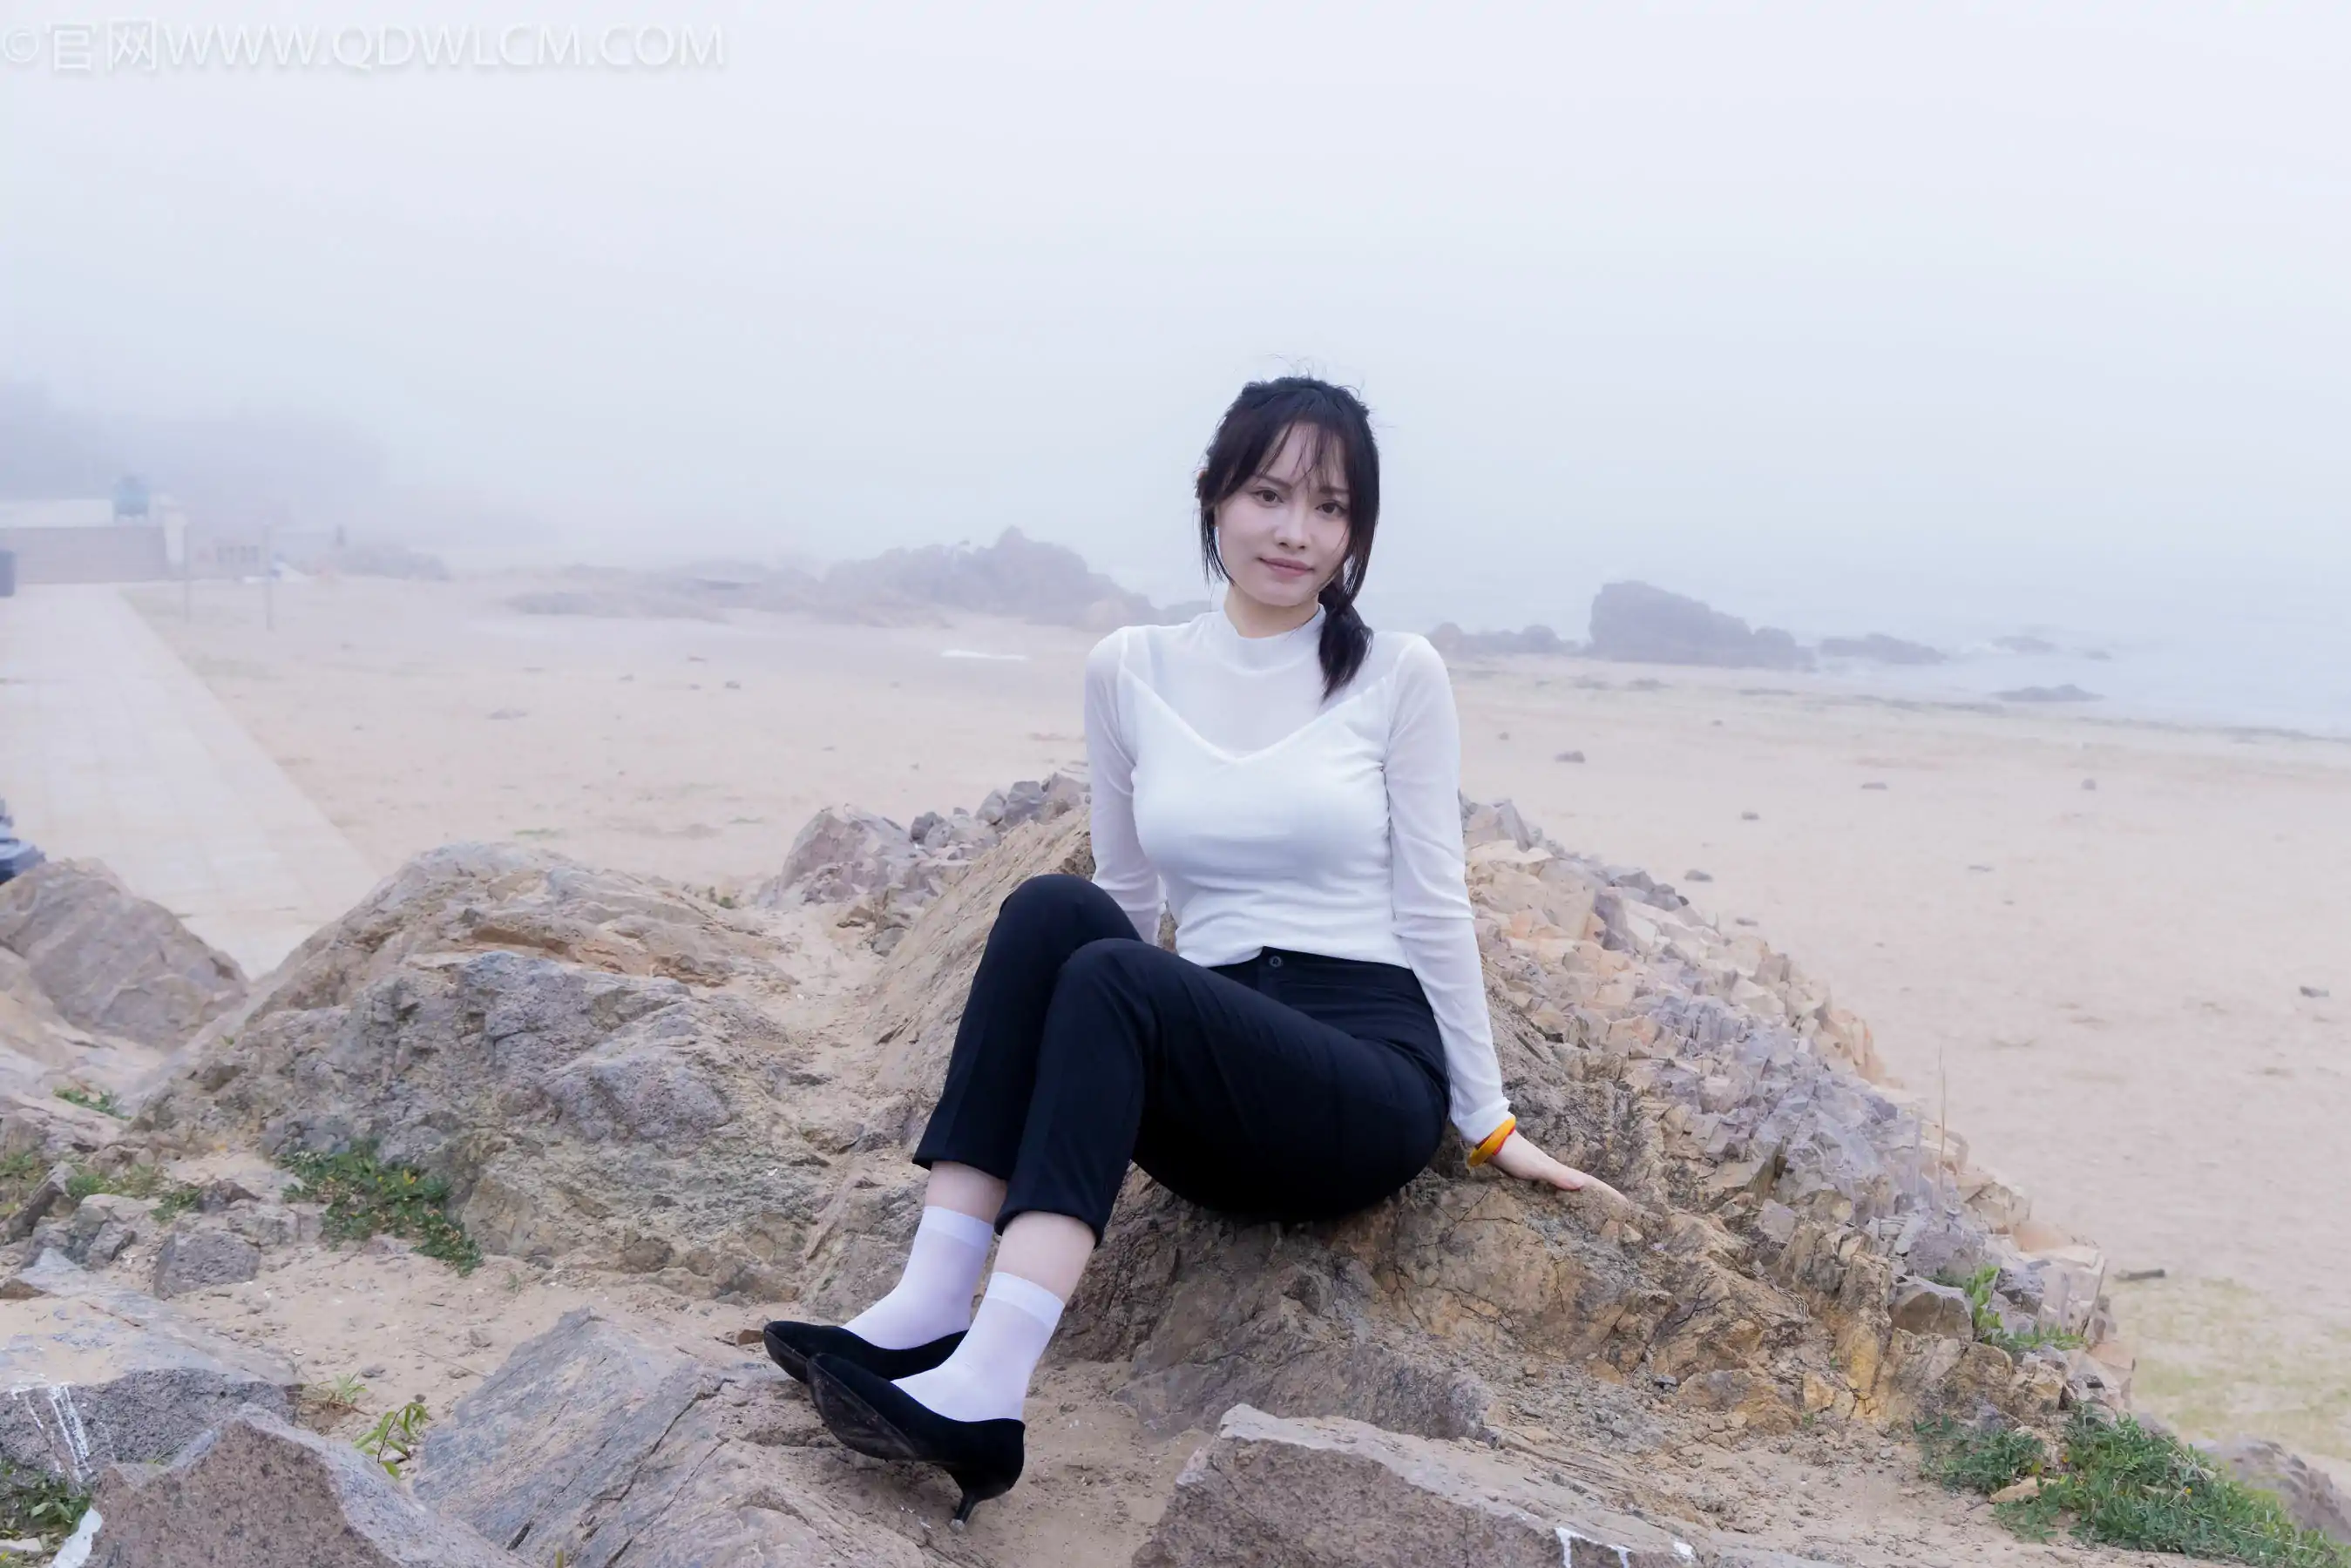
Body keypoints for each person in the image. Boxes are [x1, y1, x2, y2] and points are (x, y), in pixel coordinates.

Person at [763, 375, 1609, 1526]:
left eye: (1329, 507)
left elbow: (1431, 903)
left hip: (1358, 1082)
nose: (1295, 531)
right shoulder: (1129, 669)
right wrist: (1087, 1046)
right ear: (1214, 496)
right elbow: (1125, 895)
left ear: (1356, 533)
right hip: (1214, 1082)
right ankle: (926, 1306)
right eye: (1269, 495)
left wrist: (1489, 1121)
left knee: (1115, 973)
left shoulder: (1395, 674)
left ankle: (988, 1392)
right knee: (1053, 912)